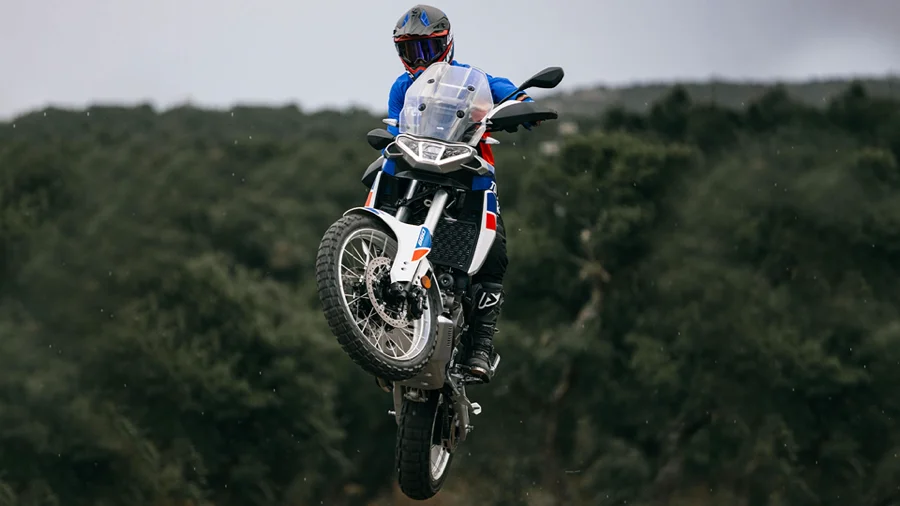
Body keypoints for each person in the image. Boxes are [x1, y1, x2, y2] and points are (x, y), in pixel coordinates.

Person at [382, 4, 539, 381]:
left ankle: (481, 346)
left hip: (467, 175)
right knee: (380, 182)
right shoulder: (402, 87)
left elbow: (516, 97)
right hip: (416, 173)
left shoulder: (476, 80)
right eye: (409, 51)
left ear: (446, 44)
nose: (418, 60)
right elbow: (393, 126)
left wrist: (521, 108)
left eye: (426, 49)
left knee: (495, 252)